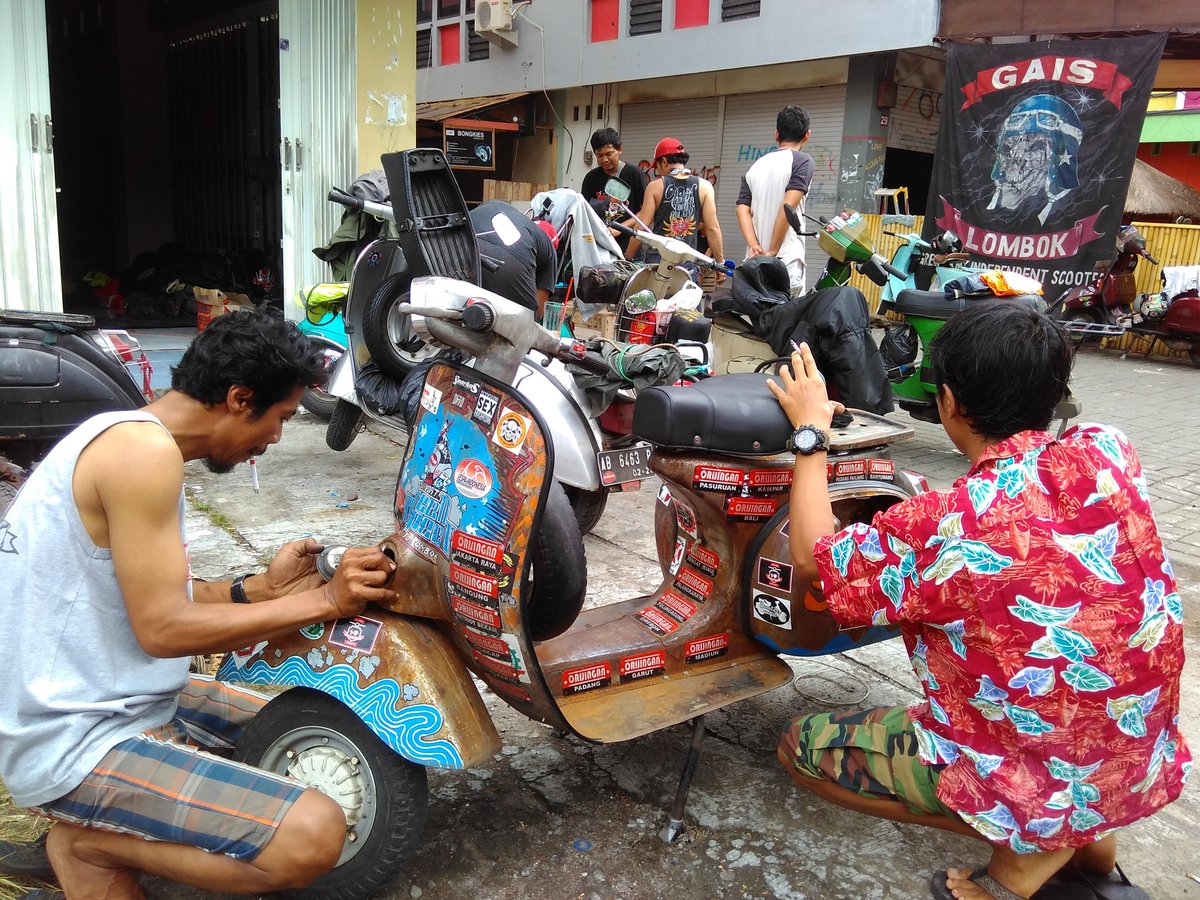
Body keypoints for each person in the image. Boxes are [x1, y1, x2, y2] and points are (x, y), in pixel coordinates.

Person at [767, 303, 1189, 900]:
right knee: (1075, 702)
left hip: (1047, 771)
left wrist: (809, 436)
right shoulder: (1109, 452)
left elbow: (814, 559)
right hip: (1139, 750)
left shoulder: (946, 527)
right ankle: (1092, 862)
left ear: (948, 403)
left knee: (799, 746)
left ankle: (1025, 860)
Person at [0, 310, 400, 897]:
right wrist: (327, 603)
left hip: (119, 692)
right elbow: (164, 629)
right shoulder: (140, 454)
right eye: (280, 418)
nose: (275, 439)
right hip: (72, 737)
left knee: (332, 721)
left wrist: (261, 588)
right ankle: (82, 846)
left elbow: (158, 599)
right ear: (240, 398)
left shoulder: (134, 437)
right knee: (314, 833)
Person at [735, 105, 814, 296]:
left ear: (776, 134)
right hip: (785, 261)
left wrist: (754, 245)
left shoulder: (756, 166)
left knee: (760, 321)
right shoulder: (802, 162)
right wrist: (772, 250)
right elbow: (788, 207)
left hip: (754, 263)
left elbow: (742, 209)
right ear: (807, 135)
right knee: (787, 322)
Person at [624, 137, 724, 268]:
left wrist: (628, 259)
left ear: (664, 161)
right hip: (686, 264)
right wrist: (720, 263)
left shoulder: (655, 187)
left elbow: (641, 228)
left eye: (657, 167)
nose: (658, 172)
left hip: (657, 263)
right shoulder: (705, 187)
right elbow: (712, 228)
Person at [470, 199, 558, 319]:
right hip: (510, 259)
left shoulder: (518, 219)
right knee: (525, 323)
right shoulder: (548, 248)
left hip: (462, 243)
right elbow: (538, 312)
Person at [580, 127, 648, 254]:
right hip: (599, 247)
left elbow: (645, 212)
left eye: (609, 154)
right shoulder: (591, 178)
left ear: (619, 149)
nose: (604, 160)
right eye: (599, 155)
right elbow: (585, 211)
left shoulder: (635, 174)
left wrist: (621, 228)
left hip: (629, 247)